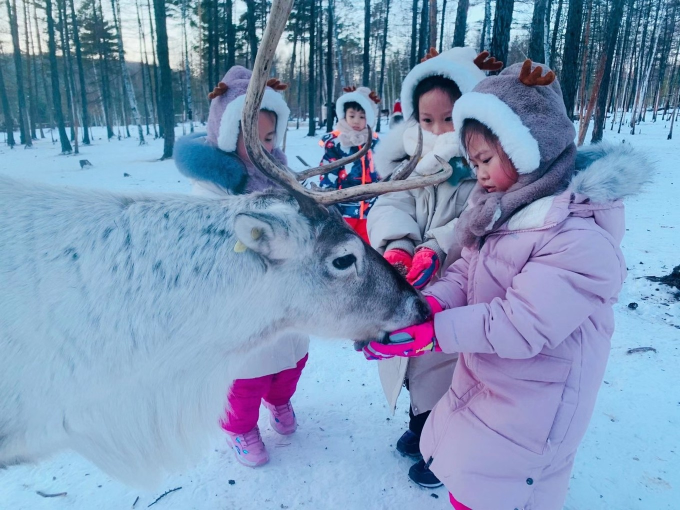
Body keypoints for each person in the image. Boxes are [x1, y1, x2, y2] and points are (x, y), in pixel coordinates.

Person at [360, 60, 646, 509]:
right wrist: (424, 309)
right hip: (494, 382)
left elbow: (519, 324)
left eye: (486, 160)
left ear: (528, 148)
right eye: (473, 163)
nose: (480, 175)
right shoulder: (500, 211)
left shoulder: (579, 239)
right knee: (467, 479)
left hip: (537, 404)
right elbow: (465, 274)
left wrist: (435, 333)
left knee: (492, 493)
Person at [366, 47, 501, 488]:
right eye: (428, 120)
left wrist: (436, 248)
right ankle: (419, 423)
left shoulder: (477, 170)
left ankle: (440, 447)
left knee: (442, 371)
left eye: (449, 119)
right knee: (409, 365)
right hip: (408, 282)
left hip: (453, 287)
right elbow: (391, 201)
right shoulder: (407, 163)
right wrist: (398, 244)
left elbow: (473, 219)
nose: (439, 130)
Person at [174, 65, 309, 468]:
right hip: (242, 308)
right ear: (230, 138)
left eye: (270, 137)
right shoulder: (210, 192)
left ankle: (281, 400)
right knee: (245, 378)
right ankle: (240, 428)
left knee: (290, 364)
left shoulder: (285, 177)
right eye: (254, 139)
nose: (266, 149)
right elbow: (205, 249)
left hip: (289, 299)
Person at [318, 86, 381, 242]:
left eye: (362, 117)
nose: (356, 121)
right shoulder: (337, 144)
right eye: (352, 116)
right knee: (345, 245)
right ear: (344, 115)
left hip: (370, 209)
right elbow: (328, 173)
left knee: (370, 246)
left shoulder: (374, 143)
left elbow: (382, 170)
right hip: (344, 209)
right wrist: (327, 200)